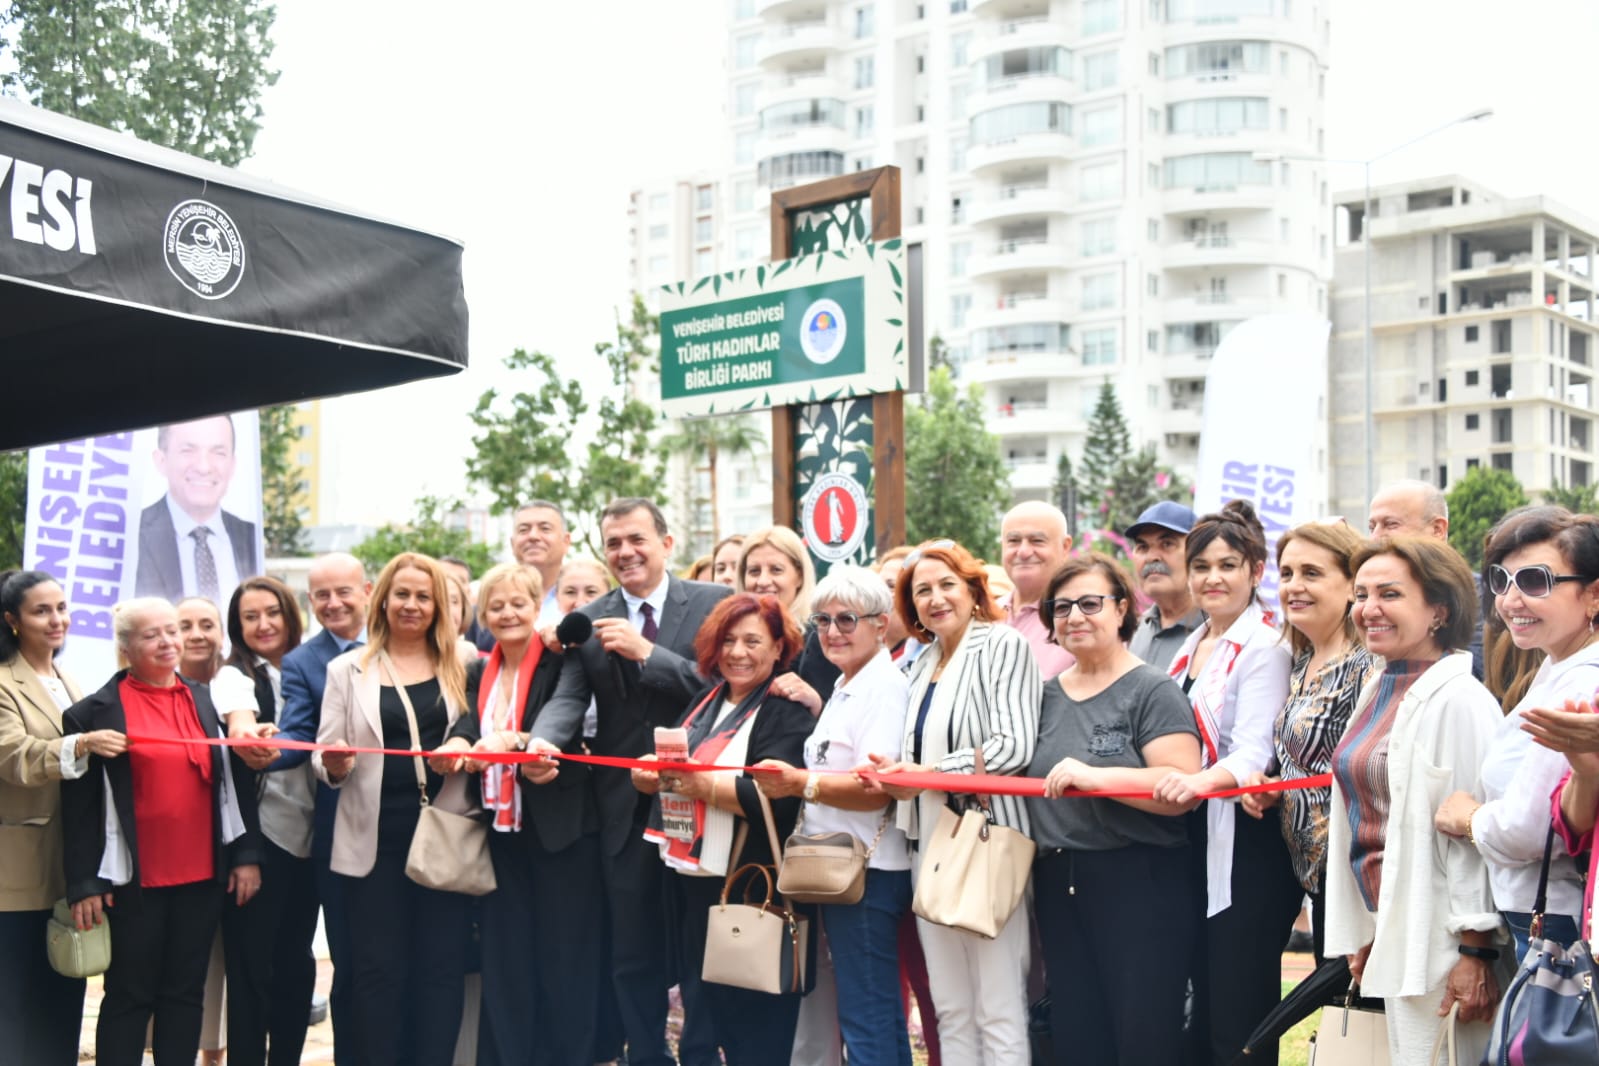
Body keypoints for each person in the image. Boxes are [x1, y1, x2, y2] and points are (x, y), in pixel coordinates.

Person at [525, 498, 732, 1066]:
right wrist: (544, 742)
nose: (625, 552)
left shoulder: (716, 605)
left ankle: (699, 1053)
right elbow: (570, 696)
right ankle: (645, 1055)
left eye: (636, 539)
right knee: (632, 948)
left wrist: (650, 654)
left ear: (667, 544)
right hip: (621, 808)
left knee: (698, 943)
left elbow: (726, 691)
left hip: (701, 802)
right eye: (613, 543)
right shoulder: (588, 618)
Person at [1325, 537, 1504, 1064]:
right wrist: (1370, 930)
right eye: (1360, 594)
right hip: (1396, 930)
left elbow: (1470, 839)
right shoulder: (1381, 684)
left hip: (1443, 942)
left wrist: (1475, 951)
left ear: (1438, 611)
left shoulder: (1460, 701)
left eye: (1389, 594)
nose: (1368, 609)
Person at [61, 598, 262, 1066]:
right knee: (130, 993)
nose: (169, 641)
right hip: (133, 880)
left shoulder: (206, 698)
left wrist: (246, 853)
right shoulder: (92, 713)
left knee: (186, 992)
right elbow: (79, 809)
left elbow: (237, 784)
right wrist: (84, 883)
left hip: (202, 874)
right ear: (127, 647)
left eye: (171, 631)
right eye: (151, 635)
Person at [866, 539, 1041, 1066]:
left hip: (986, 842)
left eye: (946, 585)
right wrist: (891, 773)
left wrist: (925, 774)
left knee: (999, 1006)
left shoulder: (1003, 644)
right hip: (927, 848)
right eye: (921, 591)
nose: (935, 598)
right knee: (949, 1008)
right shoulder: (918, 665)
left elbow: (1012, 746)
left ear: (972, 589)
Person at [1028, 554, 1202, 1066]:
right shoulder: (1041, 697)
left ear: (1122, 608)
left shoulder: (1152, 689)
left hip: (1139, 877)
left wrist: (1097, 780)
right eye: (1062, 607)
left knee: (1143, 1031)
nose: (1075, 616)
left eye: (1090, 602)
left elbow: (1182, 788)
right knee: (1079, 1030)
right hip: (1058, 879)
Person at [629, 592, 816, 1064]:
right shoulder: (704, 700)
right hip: (691, 882)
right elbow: (678, 766)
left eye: (753, 640)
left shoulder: (783, 707)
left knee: (753, 1029)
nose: (737, 652)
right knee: (700, 1021)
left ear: (779, 649)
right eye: (729, 639)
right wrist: (649, 777)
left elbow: (781, 797)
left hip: (753, 887)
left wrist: (702, 787)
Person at [1153, 500, 1298, 1066]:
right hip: (1190, 834)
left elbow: (1255, 750)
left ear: (1255, 570)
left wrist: (1193, 783)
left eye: (1228, 564)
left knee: (1238, 1009)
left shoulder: (1265, 645)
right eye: (1202, 566)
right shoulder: (1192, 644)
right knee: (1202, 1000)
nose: (1213, 578)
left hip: (1243, 842)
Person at [313, 553, 471, 1066]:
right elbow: (322, 756)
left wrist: (464, 744)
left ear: (438, 606)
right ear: (381, 600)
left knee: (441, 971)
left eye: (423, 596)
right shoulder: (347, 669)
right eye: (401, 593)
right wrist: (334, 764)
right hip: (372, 843)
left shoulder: (465, 664)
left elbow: (483, 730)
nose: (412, 604)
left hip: (444, 840)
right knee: (379, 972)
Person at [753, 566, 915, 1066]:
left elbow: (876, 791)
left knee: (867, 1019)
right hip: (845, 869)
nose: (833, 631)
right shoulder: (851, 684)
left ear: (881, 624)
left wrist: (801, 782)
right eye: (822, 620)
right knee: (873, 1014)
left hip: (867, 873)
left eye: (848, 619)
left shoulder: (881, 687)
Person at [1433, 507, 1599, 959]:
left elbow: (1533, 829)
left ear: (1593, 596)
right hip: (1539, 913)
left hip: (1560, 923)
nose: (1510, 600)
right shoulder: (1559, 667)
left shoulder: (1582, 682)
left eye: (1535, 581)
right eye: (1501, 581)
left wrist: (1469, 818)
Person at [1240, 520, 1378, 965]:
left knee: (1357, 1025)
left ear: (1352, 584)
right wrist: (1276, 788)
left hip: (1356, 885)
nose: (1294, 587)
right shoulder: (1301, 662)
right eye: (1286, 574)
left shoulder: (1367, 666)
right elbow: (1313, 767)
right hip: (1317, 883)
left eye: (1311, 574)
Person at [0, 571, 119, 1065]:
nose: (57, 620)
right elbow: (12, 755)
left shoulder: (69, 680)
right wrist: (82, 743)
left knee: (64, 992)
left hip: (70, 870)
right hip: (18, 874)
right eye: (41, 611)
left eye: (62, 608)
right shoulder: (5, 682)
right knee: (16, 1003)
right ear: (11, 621)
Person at [269, 551, 371, 1065]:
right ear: (311, 601)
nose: (333, 603)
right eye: (322, 595)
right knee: (349, 963)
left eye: (343, 591)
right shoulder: (303, 662)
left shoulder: (399, 647)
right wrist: (266, 754)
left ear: (367, 592)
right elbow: (296, 735)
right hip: (340, 831)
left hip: (407, 825)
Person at [209, 576, 315, 1066]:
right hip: (261, 843)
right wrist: (251, 736)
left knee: (297, 967)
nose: (263, 624)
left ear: (290, 614)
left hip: (313, 841)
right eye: (250, 617)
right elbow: (240, 722)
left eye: (271, 612)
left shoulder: (319, 665)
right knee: (252, 971)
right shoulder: (233, 676)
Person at [136, 415, 260, 604]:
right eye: (188, 451)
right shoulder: (132, 536)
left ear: (233, 464)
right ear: (161, 460)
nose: (204, 467)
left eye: (218, 453)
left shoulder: (253, 538)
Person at [1368, 479, 1484, 677]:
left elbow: (1477, 668)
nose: (1376, 538)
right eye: (1372, 527)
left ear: (1437, 529)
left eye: (1391, 524)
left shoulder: (1478, 596)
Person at [997, 502, 1075, 679]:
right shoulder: (984, 616)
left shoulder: (1080, 619)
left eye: (1037, 541)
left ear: (1065, 547)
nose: (1023, 552)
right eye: (1014, 541)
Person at [1125, 501, 1205, 671]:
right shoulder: (1135, 630)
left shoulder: (1214, 631)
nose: (1152, 557)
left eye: (1167, 544)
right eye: (1142, 547)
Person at [511, 500, 573, 626]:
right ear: (512, 543)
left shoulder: (584, 598)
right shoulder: (492, 600)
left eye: (545, 529)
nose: (533, 536)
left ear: (566, 541)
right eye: (523, 530)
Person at [179, 596, 226, 683]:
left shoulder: (244, 682)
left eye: (207, 626)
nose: (196, 636)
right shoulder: (159, 692)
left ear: (222, 636)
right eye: (185, 627)